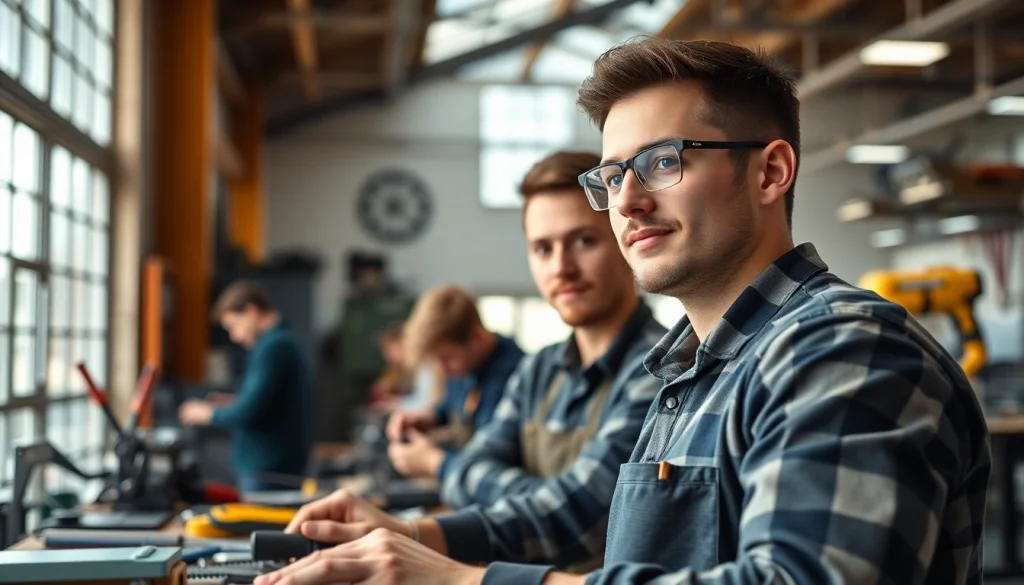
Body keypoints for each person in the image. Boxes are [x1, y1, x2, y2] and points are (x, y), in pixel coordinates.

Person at [253, 38, 991, 585]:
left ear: (770, 171)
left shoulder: (844, 350)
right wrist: (410, 535)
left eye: (664, 161)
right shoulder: (686, 372)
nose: (628, 201)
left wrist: (459, 578)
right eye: (611, 176)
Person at [255, 149, 666, 580]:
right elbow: (484, 461)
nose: (561, 267)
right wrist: (402, 531)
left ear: (623, 234)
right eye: (542, 248)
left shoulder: (663, 371)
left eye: (583, 240)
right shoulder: (539, 371)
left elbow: (575, 514)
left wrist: (430, 508)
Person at [179, 280, 314, 493]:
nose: (235, 336)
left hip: (268, 467)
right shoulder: (283, 341)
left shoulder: (274, 346)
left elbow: (249, 411)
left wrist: (205, 413)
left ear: (251, 311)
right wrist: (232, 402)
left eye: (234, 326)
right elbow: (270, 404)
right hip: (276, 463)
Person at [385, 285, 525, 482]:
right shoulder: (466, 368)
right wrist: (424, 418)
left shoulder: (514, 375)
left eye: (447, 358)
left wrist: (432, 461)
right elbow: (450, 404)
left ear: (476, 336)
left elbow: (488, 460)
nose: (442, 370)